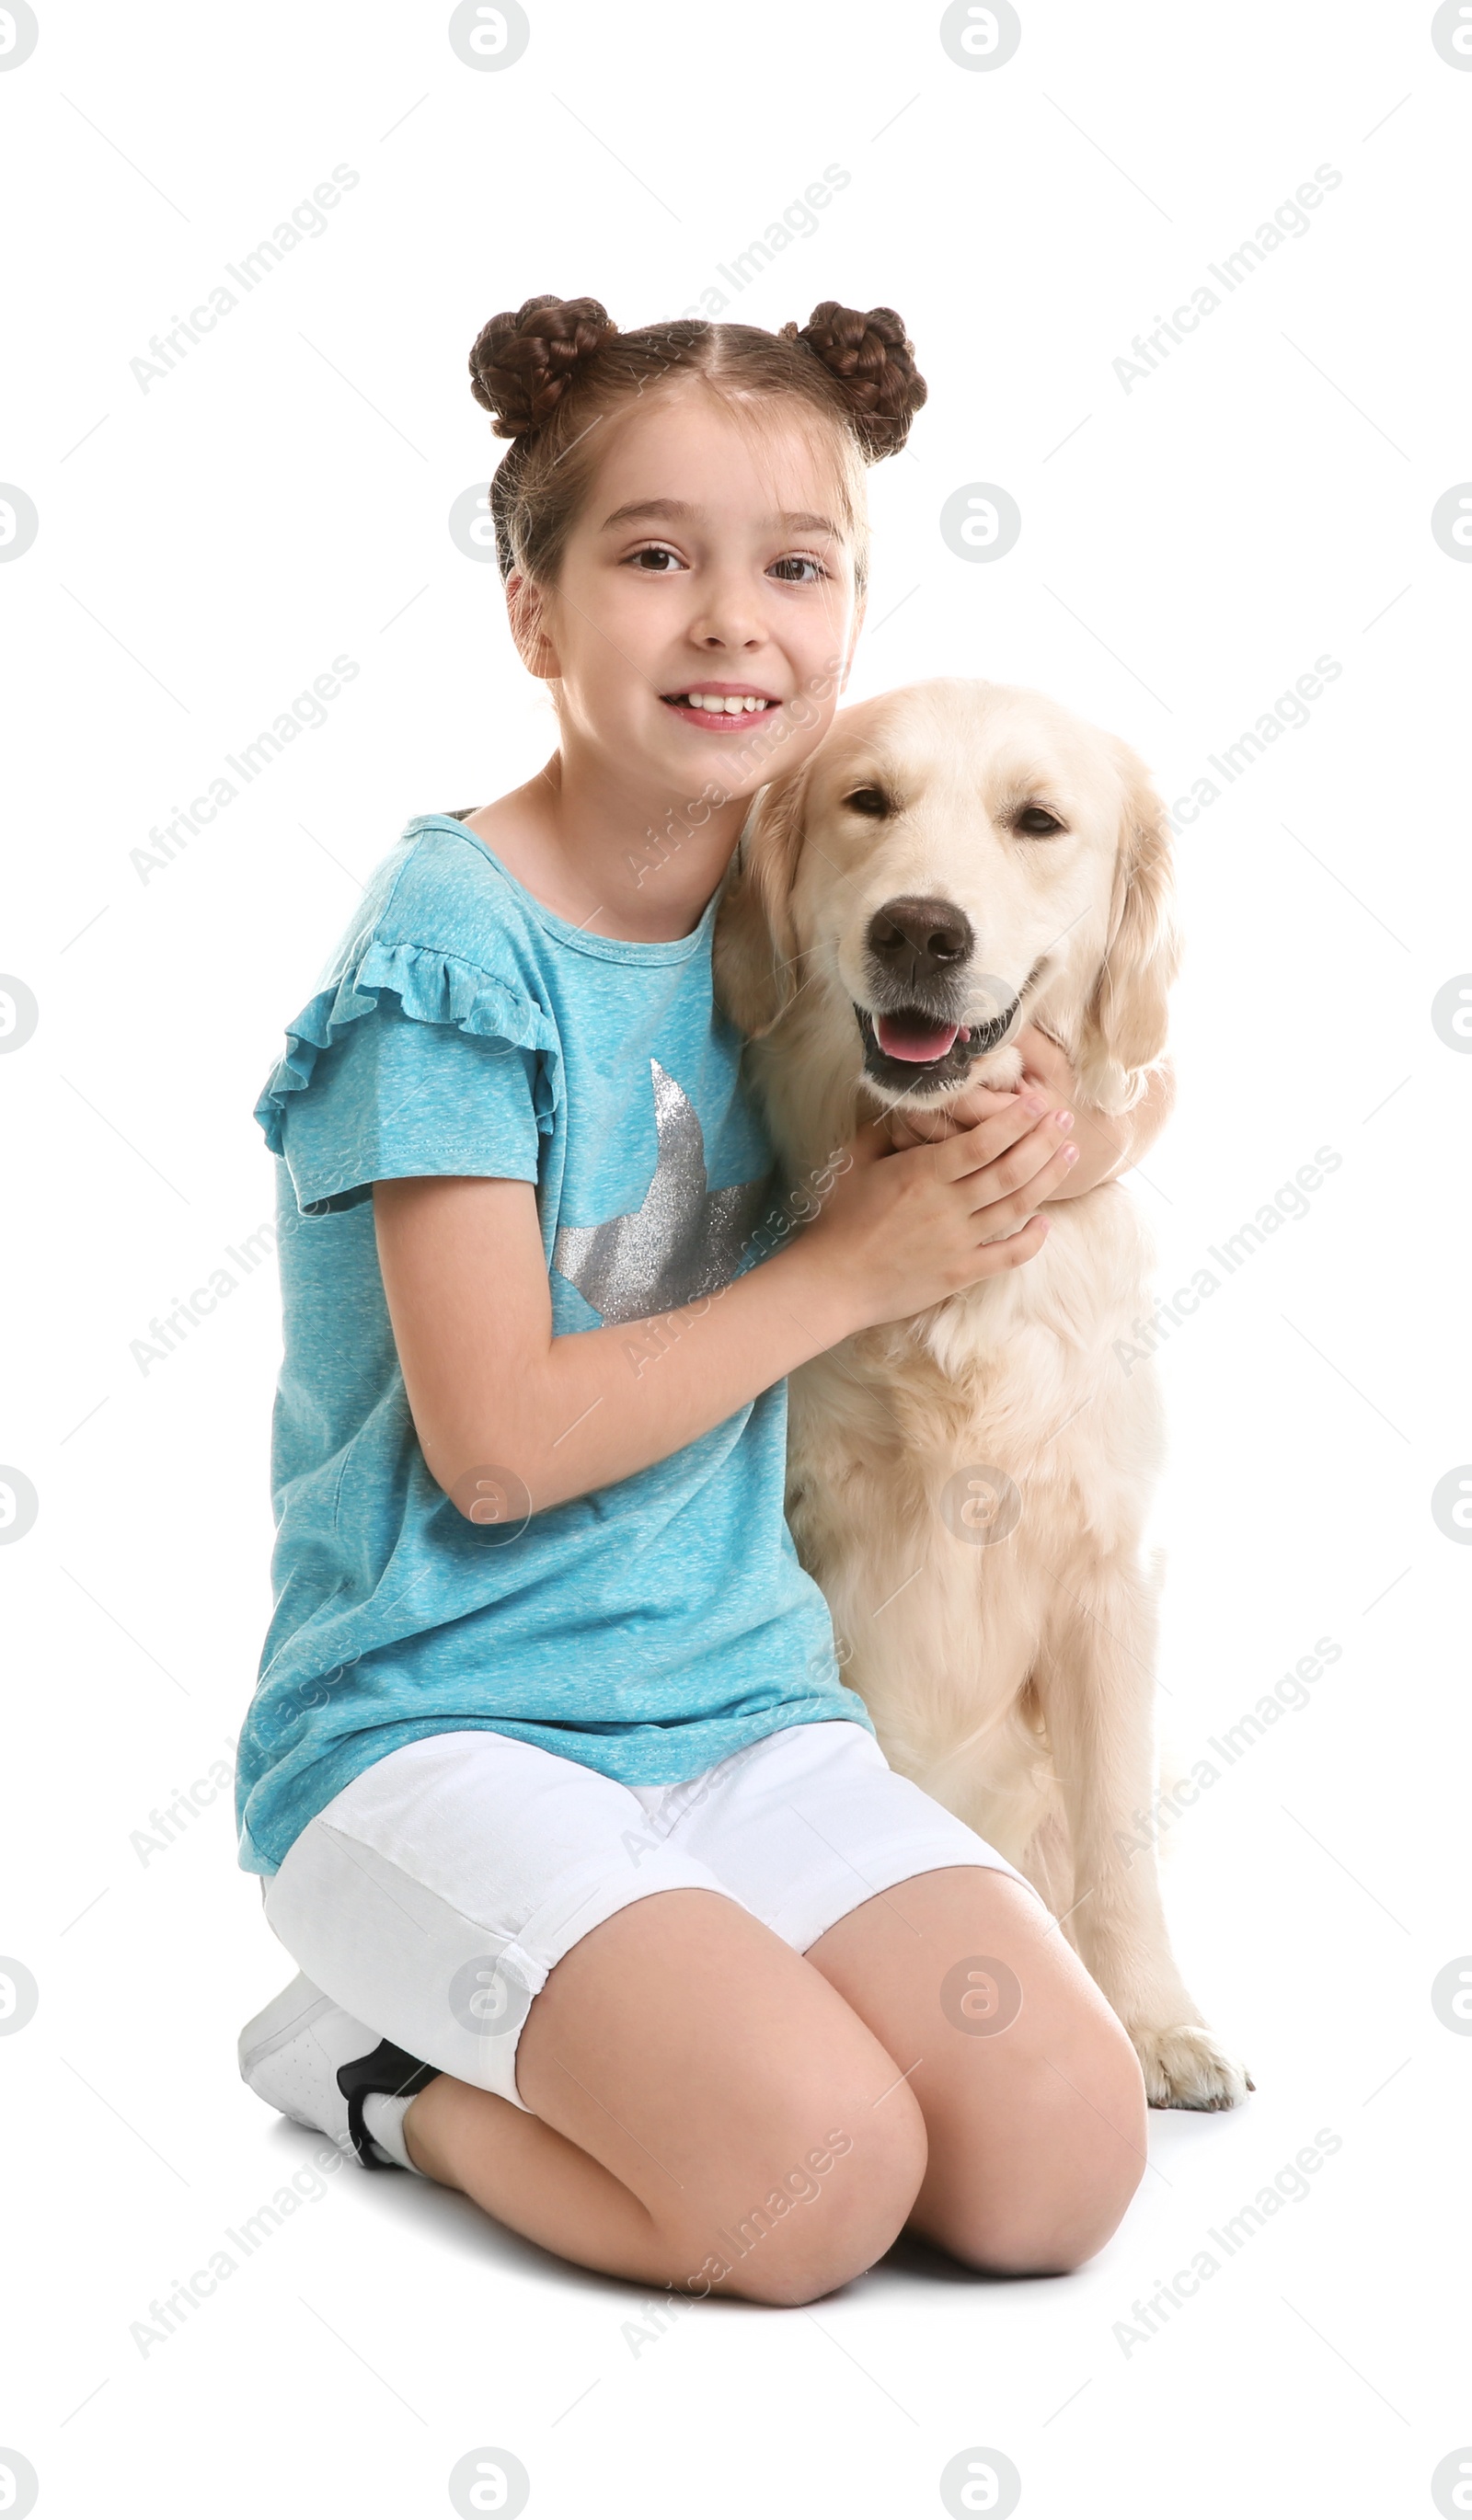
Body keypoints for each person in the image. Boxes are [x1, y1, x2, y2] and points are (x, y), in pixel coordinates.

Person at [236, 296, 1165, 2309]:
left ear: (847, 610)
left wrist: (1073, 1147)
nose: (732, 618)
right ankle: (370, 2062)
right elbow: (491, 1447)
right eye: (655, 557)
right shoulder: (453, 942)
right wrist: (848, 1265)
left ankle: (672, 2009)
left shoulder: (795, 897)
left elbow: (1100, 1042)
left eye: (794, 564)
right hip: (432, 1726)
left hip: (737, 1712)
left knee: (1056, 2169)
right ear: (534, 616)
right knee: (812, 2184)